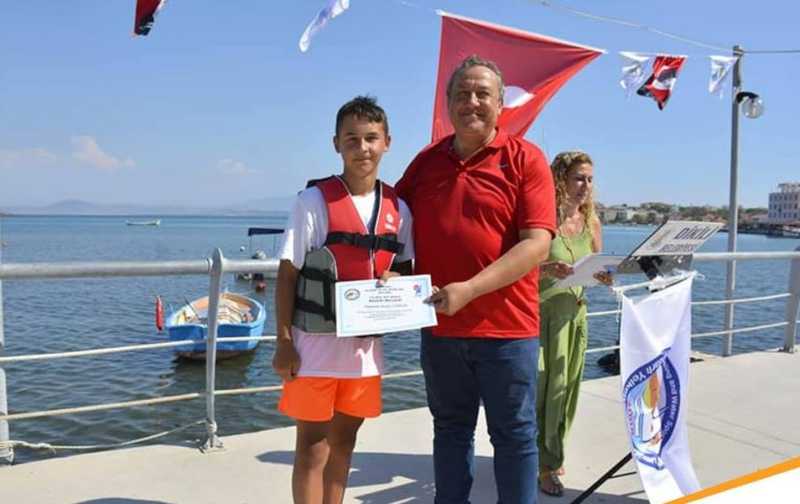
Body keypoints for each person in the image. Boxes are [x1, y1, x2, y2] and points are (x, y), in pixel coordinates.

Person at [396, 55, 556, 504]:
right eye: (462, 94)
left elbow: (537, 245)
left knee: (514, 435)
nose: (472, 102)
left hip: (508, 332)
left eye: (482, 93)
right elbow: (390, 222)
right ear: (448, 103)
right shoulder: (426, 162)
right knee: (450, 430)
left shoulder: (526, 159)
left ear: (500, 104)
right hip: (441, 329)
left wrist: (469, 290)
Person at [272, 96, 414, 504]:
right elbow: (287, 274)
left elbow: (405, 270)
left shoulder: (399, 210)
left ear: (387, 142)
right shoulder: (312, 202)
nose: (362, 147)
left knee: (345, 445)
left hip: (364, 355)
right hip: (313, 349)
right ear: (336, 144)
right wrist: (283, 342)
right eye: (351, 138)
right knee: (312, 447)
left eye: (371, 138)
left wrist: (398, 280)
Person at [536, 151, 611, 496]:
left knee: (565, 392)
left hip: (575, 315)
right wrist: (546, 269)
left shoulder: (592, 222)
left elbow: (598, 267)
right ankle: (542, 461)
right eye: (579, 178)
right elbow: (519, 268)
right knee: (541, 391)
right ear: (560, 180)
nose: (586, 186)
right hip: (541, 318)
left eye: (590, 179)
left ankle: (553, 453)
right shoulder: (542, 221)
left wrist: (606, 276)